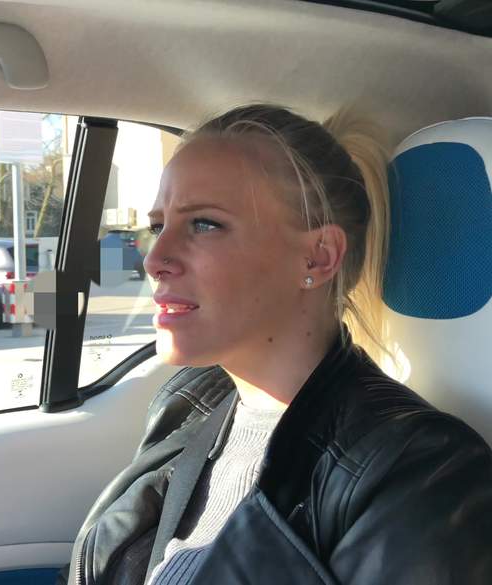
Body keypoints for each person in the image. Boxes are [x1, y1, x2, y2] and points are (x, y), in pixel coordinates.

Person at [63, 105, 492, 585]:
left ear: (318, 257)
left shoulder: (416, 473)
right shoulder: (189, 406)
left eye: (204, 224)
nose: (154, 259)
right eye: (159, 226)